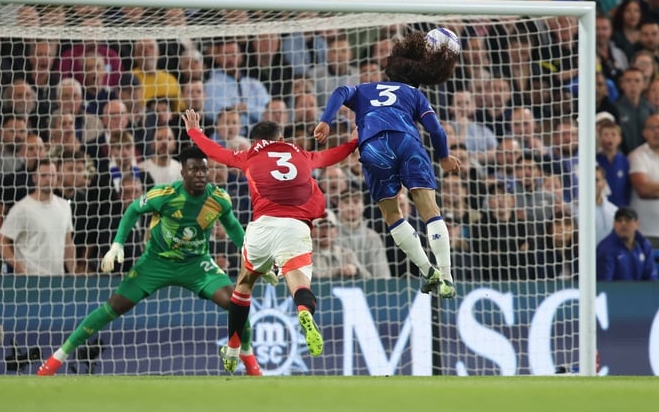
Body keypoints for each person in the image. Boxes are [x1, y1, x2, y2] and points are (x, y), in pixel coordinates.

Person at [37, 146, 263, 376]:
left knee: (237, 303)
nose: (200, 175)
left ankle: (247, 354)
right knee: (115, 305)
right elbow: (133, 210)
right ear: (182, 172)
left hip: (196, 264)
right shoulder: (164, 195)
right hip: (156, 262)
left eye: (204, 170)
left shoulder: (219, 198)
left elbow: (233, 227)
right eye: (194, 170)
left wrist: (253, 257)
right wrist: (117, 244)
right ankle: (58, 357)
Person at [181, 109, 358, 373]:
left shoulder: (249, 155)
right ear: (281, 138)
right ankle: (304, 312)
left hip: (261, 227)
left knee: (243, 287)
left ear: (255, 141)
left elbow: (217, 153)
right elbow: (332, 156)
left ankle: (232, 348)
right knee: (300, 285)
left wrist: (194, 132)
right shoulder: (300, 153)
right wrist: (354, 140)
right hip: (295, 228)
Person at [313, 30, 462, 299]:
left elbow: (340, 91)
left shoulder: (366, 89)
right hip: (407, 142)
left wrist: (326, 120)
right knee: (429, 209)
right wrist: (444, 157)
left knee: (392, 213)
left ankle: (427, 271)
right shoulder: (415, 95)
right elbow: (437, 131)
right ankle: (447, 277)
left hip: (373, 146)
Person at [0, 158, 79, 276]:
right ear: (34, 178)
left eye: (52, 175)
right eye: (43, 175)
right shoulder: (22, 208)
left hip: (58, 280)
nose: (48, 179)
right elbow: (0, 242)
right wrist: (21, 269)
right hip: (31, 281)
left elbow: (68, 243)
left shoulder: (64, 206)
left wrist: (73, 273)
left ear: (57, 177)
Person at [596, 207, 658, 281]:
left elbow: (651, 276)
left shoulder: (644, 245)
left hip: (641, 291)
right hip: (617, 292)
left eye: (628, 220)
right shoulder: (605, 249)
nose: (623, 224)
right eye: (619, 220)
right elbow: (605, 283)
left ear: (637, 224)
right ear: (614, 224)